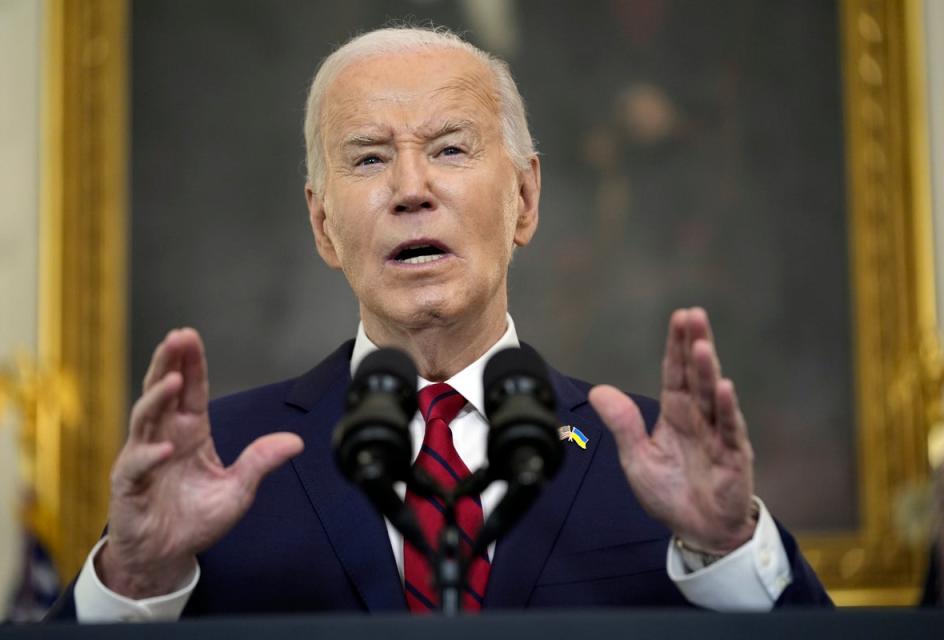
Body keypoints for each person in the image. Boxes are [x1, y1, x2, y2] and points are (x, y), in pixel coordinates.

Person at [48, 26, 829, 621]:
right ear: (323, 227)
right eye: (368, 159)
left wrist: (726, 550)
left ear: (524, 200)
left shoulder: (650, 459)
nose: (411, 188)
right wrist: (135, 581)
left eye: (450, 149)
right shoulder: (223, 462)